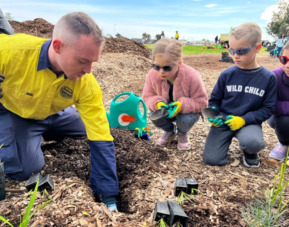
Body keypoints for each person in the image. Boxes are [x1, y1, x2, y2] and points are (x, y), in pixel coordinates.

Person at [0, 12, 118, 211]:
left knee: (87, 131)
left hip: (53, 112)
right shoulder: (10, 51)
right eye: (82, 61)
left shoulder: (86, 83)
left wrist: (108, 196)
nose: (88, 70)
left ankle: (41, 133)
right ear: (57, 46)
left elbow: (100, 135)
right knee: (25, 171)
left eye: (92, 62)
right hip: (17, 114)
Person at [203, 22, 277, 168]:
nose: (235, 56)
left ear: (257, 48)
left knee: (253, 143)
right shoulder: (226, 75)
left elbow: (268, 109)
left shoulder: (268, 78)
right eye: (232, 51)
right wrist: (213, 114)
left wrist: (243, 120)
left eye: (242, 51)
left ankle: (249, 152)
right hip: (224, 120)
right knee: (212, 160)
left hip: (248, 122)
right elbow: (215, 100)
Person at [142, 38, 208, 150]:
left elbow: (201, 102)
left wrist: (181, 105)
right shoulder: (152, 75)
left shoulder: (192, 76)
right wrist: (157, 103)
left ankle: (182, 133)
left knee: (186, 120)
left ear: (179, 62)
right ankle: (170, 132)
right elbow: (147, 96)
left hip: (185, 113)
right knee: (153, 114)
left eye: (167, 68)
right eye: (156, 66)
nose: (161, 72)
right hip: (165, 112)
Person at [268, 35, 289, 164]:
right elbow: (269, 104)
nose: (287, 65)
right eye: (283, 59)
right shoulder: (275, 76)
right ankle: (284, 143)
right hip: (281, 118)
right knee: (286, 124)